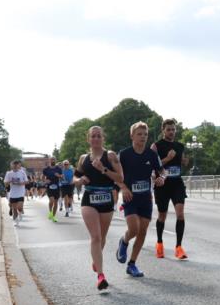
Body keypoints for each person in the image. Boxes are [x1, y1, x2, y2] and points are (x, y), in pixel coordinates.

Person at [74, 126, 124, 291]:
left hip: (106, 198)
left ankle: (96, 261)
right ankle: (101, 276)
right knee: (95, 237)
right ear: (88, 139)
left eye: (98, 136)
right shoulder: (83, 158)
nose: (96, 139)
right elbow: (75, 177)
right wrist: (79, 180)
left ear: (103, 138)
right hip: (89, 198)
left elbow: (120, 177)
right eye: (93, 136)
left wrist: (103, 169)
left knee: (102, 237)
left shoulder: (110, 156)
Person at [117, 122, 165, 278]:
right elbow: (115, 175)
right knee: (134, 229)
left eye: (145, 134)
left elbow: (162, 171)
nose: (143, 137)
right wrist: (123, 188)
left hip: (146, 198)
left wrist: (162, 178)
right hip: (130, 197)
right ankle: (124, 241)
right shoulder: (124, 154)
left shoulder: (151, 154)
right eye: (139, 134)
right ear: (132, 136)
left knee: (142, 231)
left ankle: (132, 264)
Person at [152, 118, 189, 259]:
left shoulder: (180, 146)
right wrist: (167, 158)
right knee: (162, 215)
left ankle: (179, 247)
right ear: (163, 130)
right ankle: (159, 244)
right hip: (162, 184)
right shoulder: (156, 146)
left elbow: (182, 162)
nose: (171, 132)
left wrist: (184, 162)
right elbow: (153, 165)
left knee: (180, 214)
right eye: (168, 129)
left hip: (177, 183)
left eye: (173, 129)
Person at [4, 160, 28, 225]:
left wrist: (20, 183)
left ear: (18, 166)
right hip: (13, 193)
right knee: (14, 209)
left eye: (16, 165)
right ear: (11, 166)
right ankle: (16, 221)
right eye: (13, 165)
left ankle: (20, 213)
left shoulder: (22, 173)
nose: (15, 166)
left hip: (20, 193)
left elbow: (26, 182)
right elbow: (5, 183)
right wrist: (10, 181)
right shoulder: (9, 173)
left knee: (19, 208)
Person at [43, 157, 64, 222]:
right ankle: (50, 212)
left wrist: (59, 176)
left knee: (55, 202)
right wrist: (45, 180)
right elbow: (42, 177)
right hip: (49, 187)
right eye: (51, 160)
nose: (53, 161)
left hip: (57, 187)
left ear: (55, 160)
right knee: (51, 200)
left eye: (54, 160)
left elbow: (62, 177)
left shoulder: (59, 169)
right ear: (49, 161)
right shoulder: (46, 169)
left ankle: (54, 216)